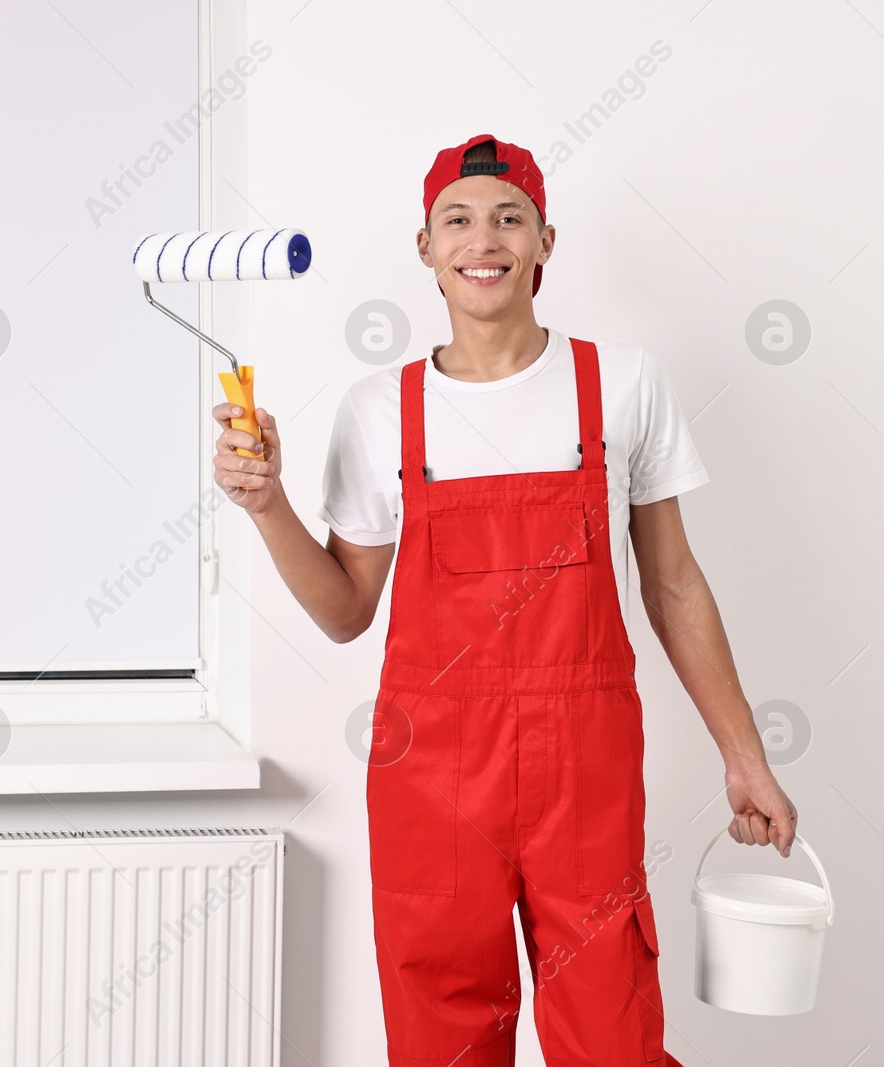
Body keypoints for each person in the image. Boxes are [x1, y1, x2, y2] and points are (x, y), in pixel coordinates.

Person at [213, 133, 798, 1066]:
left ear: (543, 241)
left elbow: (674, 583)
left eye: (507, 217)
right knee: (444, 1034)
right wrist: (267, 502)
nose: (482, 239)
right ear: (426, 247)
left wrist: (745, 755)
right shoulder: (380, 410)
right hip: (433, 775)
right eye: (458, 218)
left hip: (586, 770)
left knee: (610, 1034)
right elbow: (345, 610)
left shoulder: (622, 385)